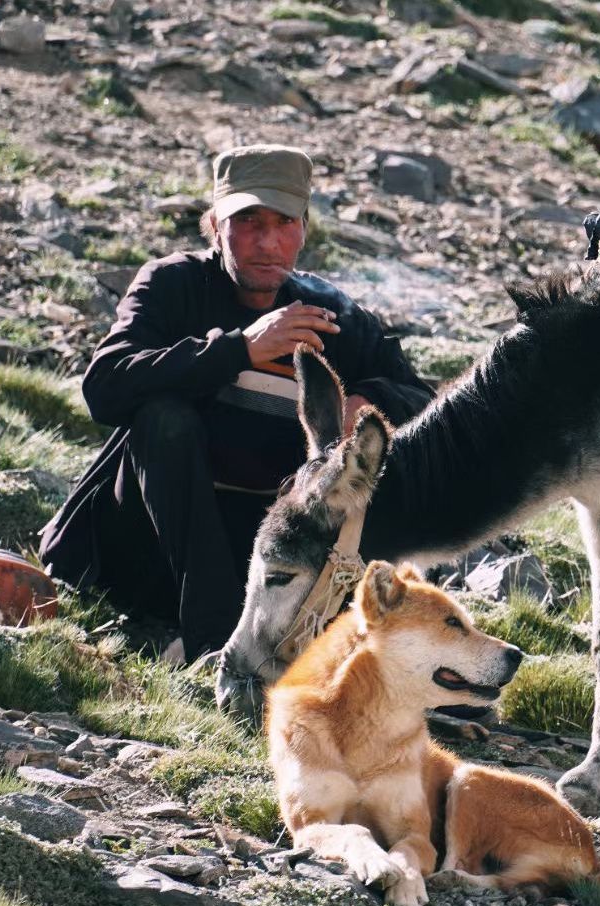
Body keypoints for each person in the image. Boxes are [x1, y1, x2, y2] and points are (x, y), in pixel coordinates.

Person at [38, 144, 434, 663]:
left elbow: (424, 401)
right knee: (164, 418)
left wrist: (365, 402)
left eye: (284, 222)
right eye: (247, 221)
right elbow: (105, 386)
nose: (267, 242)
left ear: (304, 229)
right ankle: (215, 643)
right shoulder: (172, 284)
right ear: (214, 225)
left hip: (262, 555)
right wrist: (241, 349)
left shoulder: (333, 314)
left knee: (371, 456)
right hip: (144, 547)